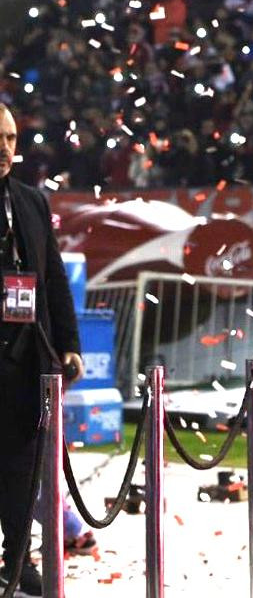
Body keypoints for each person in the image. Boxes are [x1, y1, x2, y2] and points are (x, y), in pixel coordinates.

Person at [0, 104, 83, 597]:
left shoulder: (31, 202)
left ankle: (16, 561)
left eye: (10, 137)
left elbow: (52, 280)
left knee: (22, 469)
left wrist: (69, 344)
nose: (4, 147)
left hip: (27, 361)